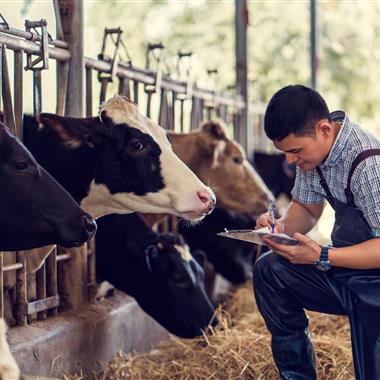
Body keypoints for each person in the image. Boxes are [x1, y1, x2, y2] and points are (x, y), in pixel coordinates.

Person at [253, 84, 380, 380]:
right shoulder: (314, 157)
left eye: (295, 151)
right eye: (284, 153)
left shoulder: (368, 163)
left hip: (376, 284)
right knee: (270, 271)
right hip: (348, 275)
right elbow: (308, 210)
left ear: (324, 129)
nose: (290, 161)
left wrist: (322, 254)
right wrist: (278, 228)